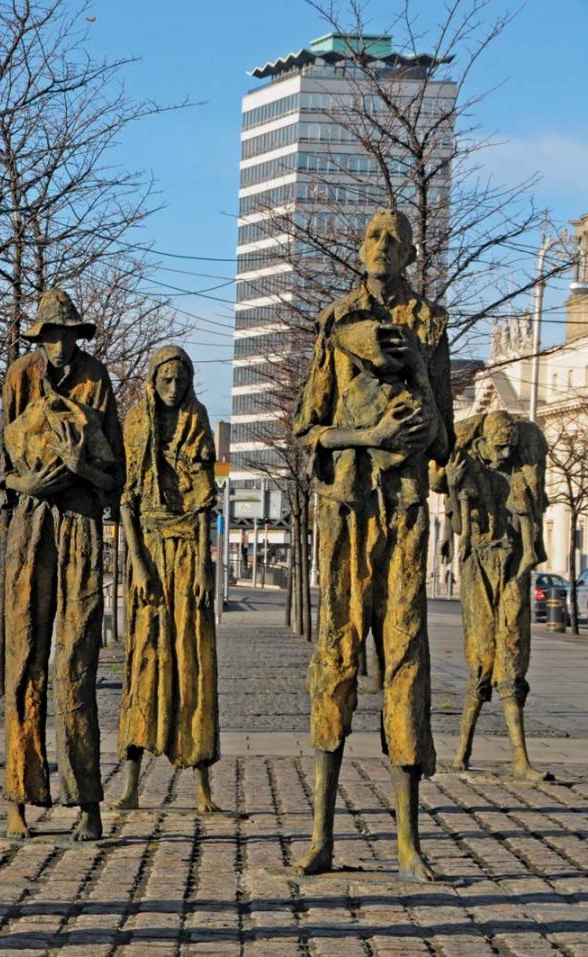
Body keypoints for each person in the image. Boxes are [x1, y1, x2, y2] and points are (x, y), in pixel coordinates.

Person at [293, 208, 450, 882]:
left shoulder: (431, 324)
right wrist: (369, 437)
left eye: (393, 237)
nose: (380, 245)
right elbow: (308, 431)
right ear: (359, 250)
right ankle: (322, 834)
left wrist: (419, 380)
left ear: (412, 252)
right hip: (346, 512)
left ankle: (408, 841)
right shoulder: (335, 321)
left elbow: (445, 440)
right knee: (335, 655)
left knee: (407, 657)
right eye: (371, 236)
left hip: (405, 514)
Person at [0, 288, 123, 842]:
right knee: (23, 656)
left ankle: (87, 799)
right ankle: (18, 797)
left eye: (64, 334)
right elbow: (2, 469)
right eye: (48, 336)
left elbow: (114, 476)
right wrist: (27, 482)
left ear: (77, 335)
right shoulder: (20, 376)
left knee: (76, 661)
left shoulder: (97, 379)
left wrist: (79, 469)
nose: (57, 345)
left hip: (79, 525)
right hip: (30, 525)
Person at [115, 345, 220, 813]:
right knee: (145, 660)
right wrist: (136, 563)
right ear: (153, 380)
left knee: (192, 660)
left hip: (186, 557)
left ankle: (202, 788)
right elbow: (127, 502)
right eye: (166, 380)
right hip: (151, 556)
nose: (174, 388)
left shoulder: (198, 422)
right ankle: (131, 786)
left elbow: (203, 504)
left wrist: (202, 565)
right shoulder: (137, 423)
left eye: (181, 380)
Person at [442, 410, 549, 778]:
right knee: (482, 658)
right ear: (484, 440)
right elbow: (458, 526)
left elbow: (532, 518)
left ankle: (520, 759)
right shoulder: (470, 468)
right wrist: (454, 489)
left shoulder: (521, 473)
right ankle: (462, 750)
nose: (505, 454)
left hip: (512, 565)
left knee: (513, 650)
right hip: (478, 568)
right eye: (500, 446)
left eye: (511, 447)